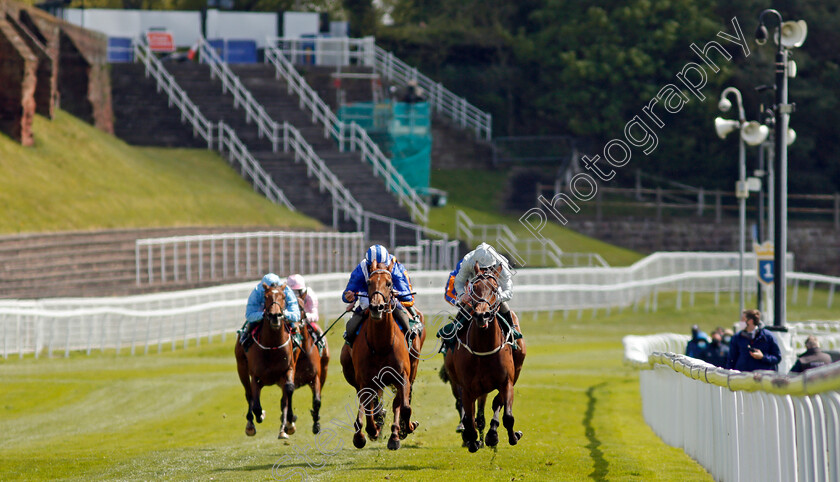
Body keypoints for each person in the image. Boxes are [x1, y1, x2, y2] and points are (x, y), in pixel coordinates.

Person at [439, 243, 522, 350]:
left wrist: (495, 299)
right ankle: (451, 336)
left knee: (505, 306)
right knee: (465, 309)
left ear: (494, 264)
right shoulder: (468, 261)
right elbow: (459, 282)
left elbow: (509, 291)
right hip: (475, 290)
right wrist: (462, 295)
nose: (484, 271)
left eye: (488, 268)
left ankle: (512, 332)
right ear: (476, 263)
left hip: (493, 292)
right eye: (481, 268)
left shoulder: (501, 263)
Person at [341, 245, 419, 345]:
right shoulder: (361, 269)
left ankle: (411, 340)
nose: (378, 269)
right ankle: (350, 346)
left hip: (390, 299)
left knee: (408, 326)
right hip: (367, 300)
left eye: (382, 266)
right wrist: (350, 297)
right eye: (373, 267)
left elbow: (408, 297)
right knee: (350, 330)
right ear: (368, 265)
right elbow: (346, 295)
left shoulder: (395, 268)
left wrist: (396, 293)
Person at [238, 273, 300, 352]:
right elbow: (249, 315)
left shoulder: (286, 290)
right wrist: (262, 315)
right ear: (264, 288)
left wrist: (284, 314)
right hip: (262, 315)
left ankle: (296, 341)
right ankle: (244, 340)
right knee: (249, 325)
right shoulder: (257, 292)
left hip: (282, 315)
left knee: (295, 326)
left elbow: (296, 315)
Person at [286, 273, 326, 350]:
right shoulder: (284, 296)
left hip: (306, 321)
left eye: (298, 291)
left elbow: (315, 316)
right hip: (291, 322)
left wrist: (304, 316)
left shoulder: (310, 295)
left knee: (315, 327)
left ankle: (321, 342)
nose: (296, 296)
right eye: (293, 292)